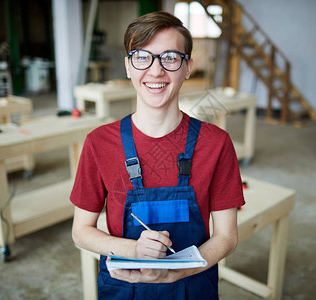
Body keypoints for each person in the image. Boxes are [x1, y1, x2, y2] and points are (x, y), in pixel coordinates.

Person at [70, 11, 245, 299]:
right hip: (124, 289)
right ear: (128, 66)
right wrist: (134, 249)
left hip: (193, 286)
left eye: (170, 58)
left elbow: (226, 236)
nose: (155, 71)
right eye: (142, 57)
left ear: (188, 66)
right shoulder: (99, 143)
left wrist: (176, 272)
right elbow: (81, 231)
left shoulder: (216, 143)